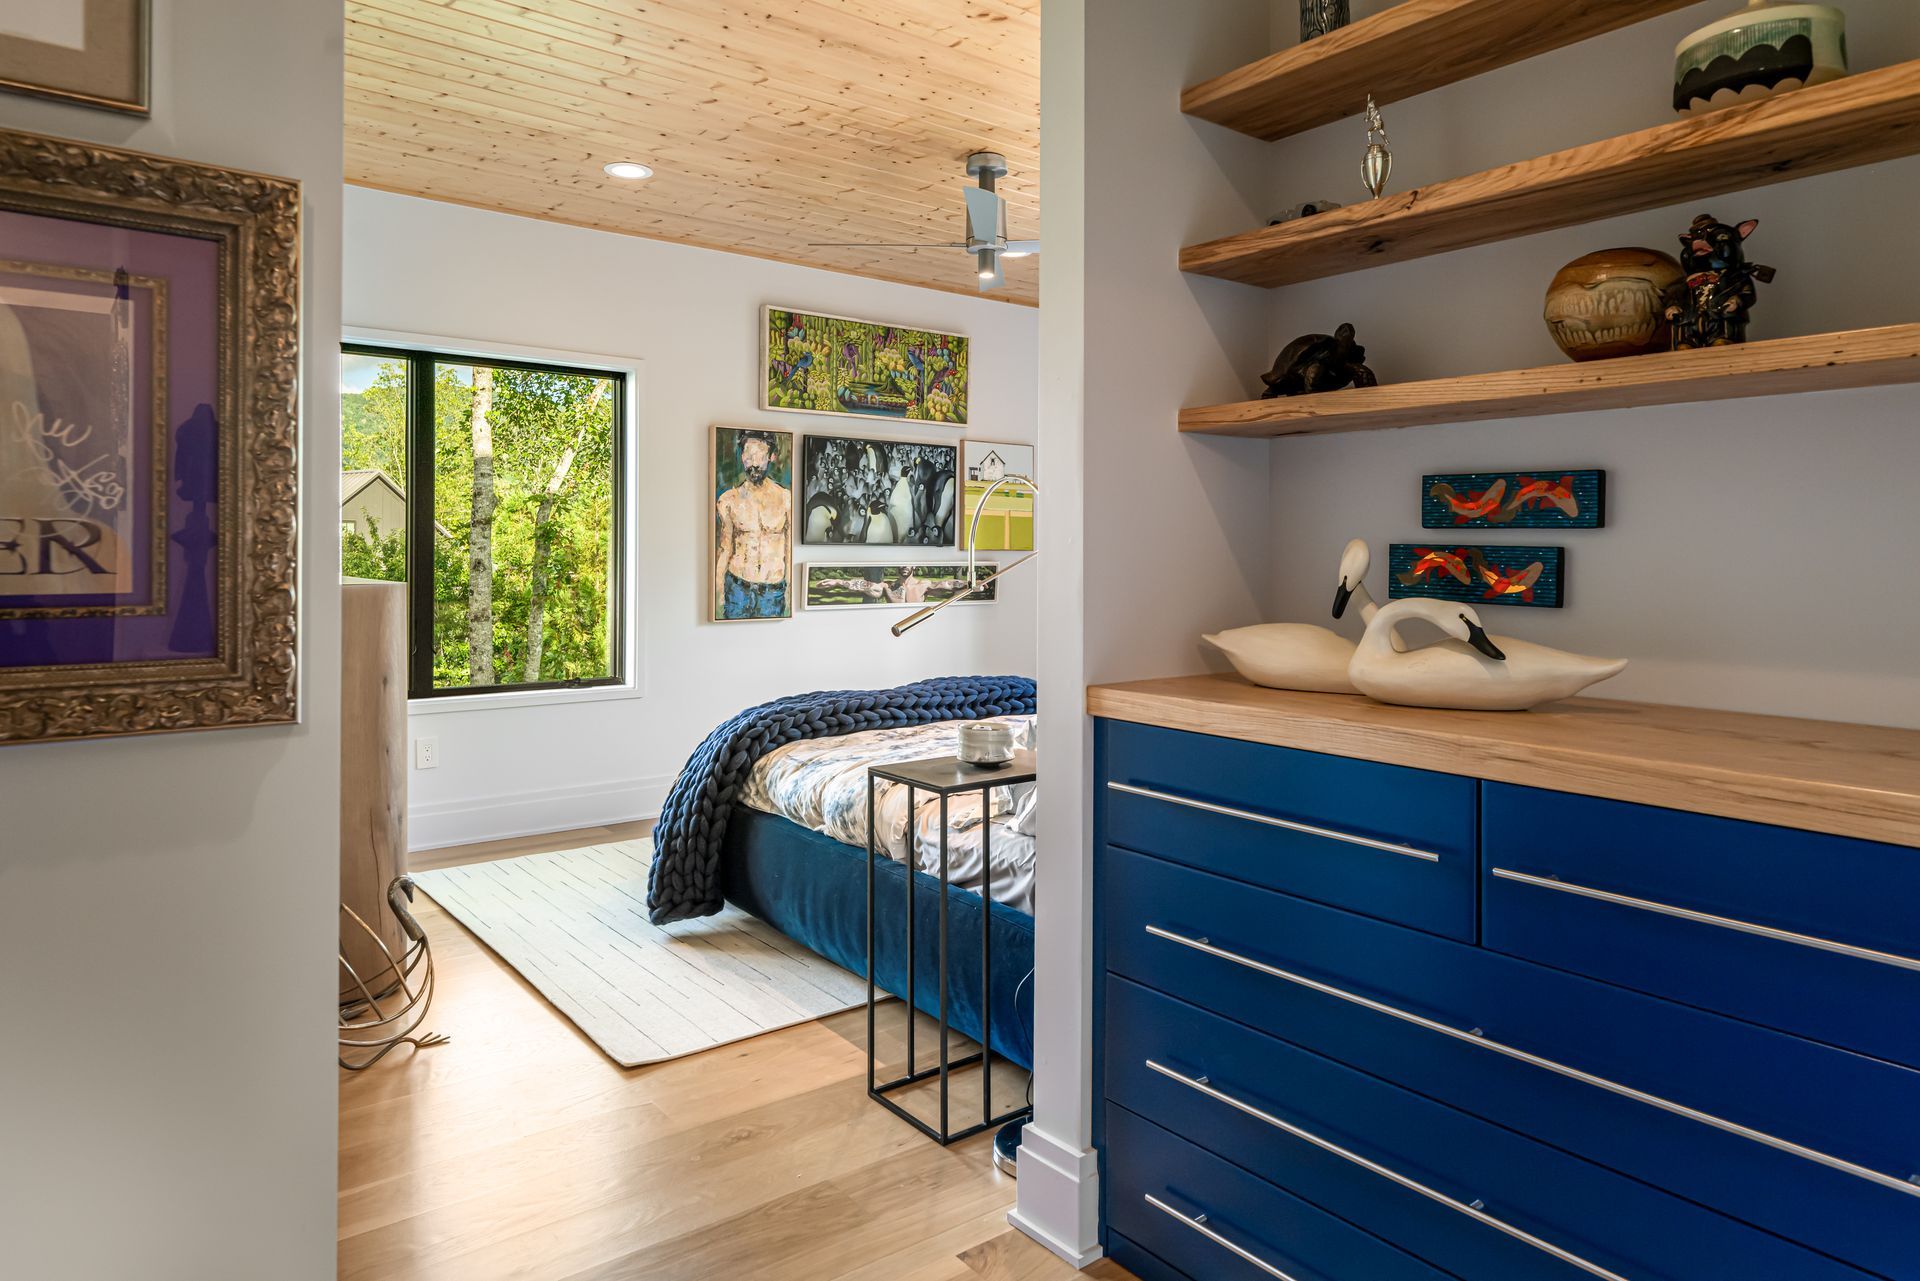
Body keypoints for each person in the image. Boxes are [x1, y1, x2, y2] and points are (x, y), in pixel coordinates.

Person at [714, 430, 790, 619]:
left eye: (760, 456)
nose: (754, 463)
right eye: (748, 456)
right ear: (742, 456)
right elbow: (725, 547)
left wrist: (790, 587)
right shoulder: (728, 500)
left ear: (771, 456)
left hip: (773, 588)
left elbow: (789, 548)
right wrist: (718, 588)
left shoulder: (785, 499)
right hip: (737, 586)